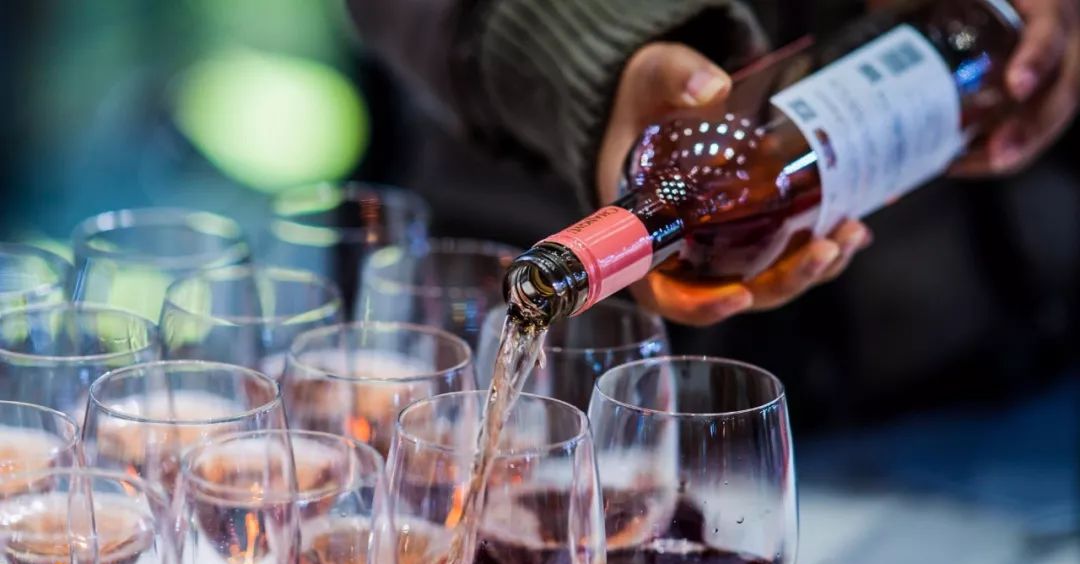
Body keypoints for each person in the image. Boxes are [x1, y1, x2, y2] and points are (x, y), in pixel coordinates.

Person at [347, 0, 1078, 324]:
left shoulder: (680, 176)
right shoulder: (669, 155)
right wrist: (596, 62)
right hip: (515, 222)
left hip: (983, 340)